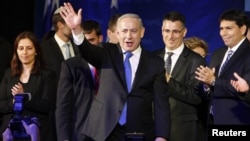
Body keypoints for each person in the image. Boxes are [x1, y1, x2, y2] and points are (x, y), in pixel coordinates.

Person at [59, 2, 170, 141]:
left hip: (138, 131)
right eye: (124, 31)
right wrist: (76, 30)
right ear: (117, 33)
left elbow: (161, 104)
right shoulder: (107, 53)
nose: (128, 36)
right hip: (104, 129)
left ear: (142, 32)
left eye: (133, 31)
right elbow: (87, 51)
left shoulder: (155, 63)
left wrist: (162, 136)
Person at [154, 11, 206, 141]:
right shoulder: (153, 58)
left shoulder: (196, 60)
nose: (170, 36)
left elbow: (196, 97)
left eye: (175, 31)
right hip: (154, 128)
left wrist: (169, 81)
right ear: (161, 31)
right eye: (167, 31)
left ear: (184, 32)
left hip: (182, 130)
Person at [195, 9, 250, 125]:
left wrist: (213, 81)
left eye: (228, 28)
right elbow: (213, 89)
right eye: (221, 28)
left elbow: (244, 90)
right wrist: (207, 86)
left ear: (243, 29)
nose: (223, 33)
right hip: (213, 120)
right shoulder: (218, 53)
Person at [0, 31, 57, 141]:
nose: (24, 52)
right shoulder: (8, 74)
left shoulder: (47, 75)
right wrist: (14, 101)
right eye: (20, 48)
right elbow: (1, 103)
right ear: (16, 51)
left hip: (37, 131)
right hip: (10, 131)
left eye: (29, 48)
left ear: (36, 51)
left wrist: (23, 97)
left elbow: (48, 105)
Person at [56, 19, 103, 141]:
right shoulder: (70, 66)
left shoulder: (109, 64)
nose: (87, 46)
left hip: (105, 133)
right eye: (84, 41)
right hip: (79, 134)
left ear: (100, 38)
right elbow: (63, 106)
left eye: (91, 40)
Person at [41, 7, 79, 82]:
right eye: (72, 22)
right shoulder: (44, 49)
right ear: (60, 24)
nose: (76, 26)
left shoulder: (79, 46)